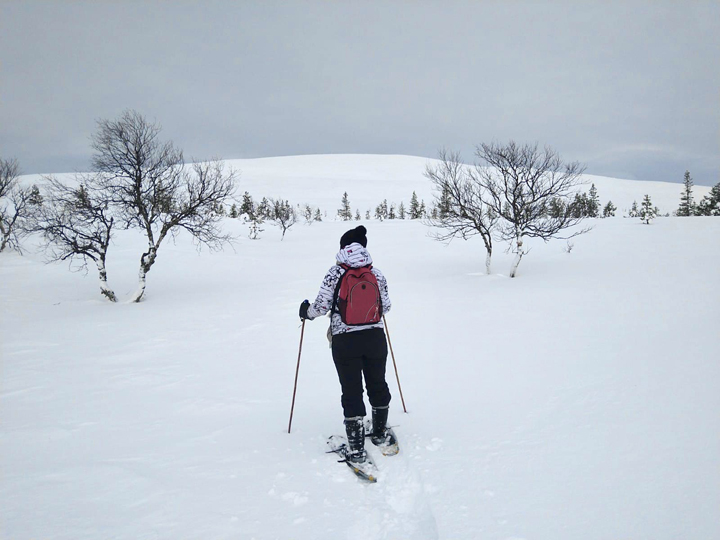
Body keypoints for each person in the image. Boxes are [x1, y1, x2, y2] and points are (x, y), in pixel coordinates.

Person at [299, 225, 393, 464]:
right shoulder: (377, 273)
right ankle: (380, 433)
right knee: (377, 383)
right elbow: (387, 307)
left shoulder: (335, 272)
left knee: (351, 390)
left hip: (345, 340)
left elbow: (321, 307)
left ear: (343, 248)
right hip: (375, 338)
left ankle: (357, 448)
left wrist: (306, 313)